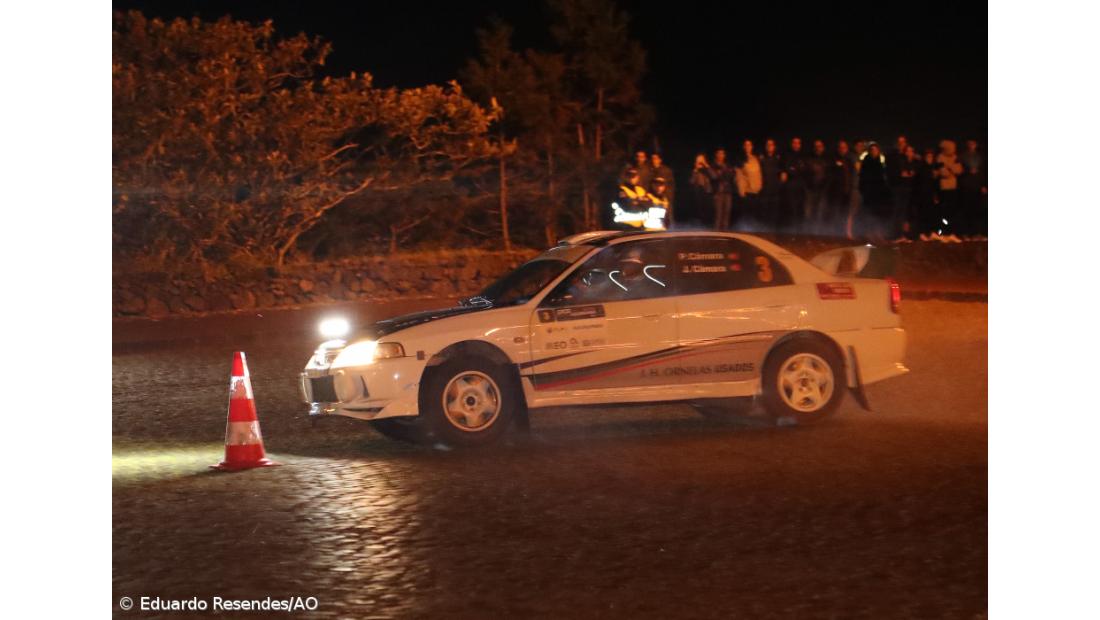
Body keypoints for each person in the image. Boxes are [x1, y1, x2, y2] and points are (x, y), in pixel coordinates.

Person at [857, 142, 891, 240]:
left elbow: (882, 176)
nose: (874, 152)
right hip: (868, 191)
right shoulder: (866, 162)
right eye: (872, 150)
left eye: (876, 150)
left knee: (878, 213)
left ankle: (877, 232)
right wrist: (863, 189)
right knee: (868, 212)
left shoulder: (880, 161)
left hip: (878, 192)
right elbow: (862, 176)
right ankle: (868, 232)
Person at [934, 139, 965, 241]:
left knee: (952, 211)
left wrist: (949, 167)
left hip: (953, 188)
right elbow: (943, 173)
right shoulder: (940, 158)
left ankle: (951, 232)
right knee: (944, 211)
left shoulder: (956, 158)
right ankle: (943, 232)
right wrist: (952, 169)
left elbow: (959, 170)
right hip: (944, 188)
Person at [827, 140, 855, 235]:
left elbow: (852, 174)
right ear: (838, 149)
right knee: (835, 211)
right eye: (841, 147)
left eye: (844, 147)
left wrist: (851, 187)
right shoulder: (833, 159)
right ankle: (834, 231)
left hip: (847, 190)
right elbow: (831, 174)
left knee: (845, 211)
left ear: (847, 149)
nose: (842, 149)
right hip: (836, 190)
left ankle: (843, 231)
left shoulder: (849, 160)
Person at [959, 139, 986, 238]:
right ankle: (967, 233)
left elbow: (983, 172)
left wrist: (983, 185)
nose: (972, 146)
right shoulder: (963, 156)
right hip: (967, 186)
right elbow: (959, 170)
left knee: (977, 210)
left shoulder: (980, 157)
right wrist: (967, 171)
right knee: (967, 209)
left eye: (973, 144)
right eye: (970, 144)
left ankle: (977, 233)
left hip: (977, 186)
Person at [911, 149, 940, 239]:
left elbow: (934, 182)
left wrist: (935, 194)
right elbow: (918, 182)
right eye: (928, 157)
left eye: (931, 157)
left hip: (930, 194)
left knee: (930, 214)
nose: (930, 158)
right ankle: (922, 232)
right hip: (922, 194)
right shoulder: (921, 168)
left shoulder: (932, 168)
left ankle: (930, 232)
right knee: (922, 214)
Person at [735, 139, 763, 229]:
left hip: (756, 191)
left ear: (752, 147)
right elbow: (739, 176)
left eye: (749, 145)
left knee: (754, 215)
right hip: (746, 192)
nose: (748, 147)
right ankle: (744, 230)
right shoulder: (740, 159)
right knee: (746, 215)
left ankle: (753, 231)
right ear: (743, 147)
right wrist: (741, 191)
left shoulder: (755, 158)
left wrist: (760, 186)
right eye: (746, 145)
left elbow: (758, 174)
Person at [781, 137, 807, 232]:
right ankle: (789, 229)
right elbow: (786, 168)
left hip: (800, 185)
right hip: (790, 185)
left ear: (800, 145)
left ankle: (800, 229)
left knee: (800, 208)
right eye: (794, 143)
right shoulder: (786, 155)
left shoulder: (803, 155)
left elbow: (804, 169)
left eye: (798, 143)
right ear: (792, 144)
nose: (796, 145)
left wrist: (794, 169)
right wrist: (793, 170)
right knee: (790, 207)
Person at [707, 148, 735, 230]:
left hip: (727, 191)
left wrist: (724, 174)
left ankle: (725, 232)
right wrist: (722, 174)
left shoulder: (727, 165)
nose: (721, 155)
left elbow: (731, 176)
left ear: (724, 155)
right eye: (719, 153)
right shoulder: (713, 166)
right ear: (716, 154)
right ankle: (716, 233)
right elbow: (714, 177)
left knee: (727, 213)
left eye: (722, 153)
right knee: (718, 214)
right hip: (718, 193)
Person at [804, 139, 830, 229]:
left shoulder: (827, 159)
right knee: (809, 210)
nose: (817, 148)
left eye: (819, 146)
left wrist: (826, 187)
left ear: (823, 147)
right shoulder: (808, 158)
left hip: (823, 189)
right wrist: (807, 185)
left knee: (820, 210)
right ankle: (808, 229)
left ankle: (818, 229)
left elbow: (830, 174)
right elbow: (805, 173)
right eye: (816, 146)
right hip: (810, 189)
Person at [759, 138, 783, 232]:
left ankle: (772, 231)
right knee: (764, 211)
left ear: (774, 147)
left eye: (771, 145)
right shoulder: (761, 159)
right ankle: (764, 230)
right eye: (768, 145)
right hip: (764, 190)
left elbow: (782, 171)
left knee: (774, 212)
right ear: (765, 147)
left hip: (775, 190)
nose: (770, 147)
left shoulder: (778, 159)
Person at [649, 152, 676, 226]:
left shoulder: (666, 170)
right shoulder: (650, 170)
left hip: (665, 197)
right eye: (652, 159)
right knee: (656, 217)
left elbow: (670, 185)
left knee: (667, 216)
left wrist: (667, 197)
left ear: (660, 160)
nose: (653, 160)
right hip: (654, 198)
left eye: (655, 158)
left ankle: (669, 229)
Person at [689, 154, 713, 226]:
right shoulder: (695, 171)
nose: (700, 162)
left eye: (701, 160)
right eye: (698, 160)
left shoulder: (708, 169)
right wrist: (695, 170)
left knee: (707, 211)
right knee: (699, 211)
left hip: (707, 192)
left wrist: (706, 166)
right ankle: (700, 225)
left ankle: (707, 225)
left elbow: (714, 176)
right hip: (698, 193)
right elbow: (691, 182)